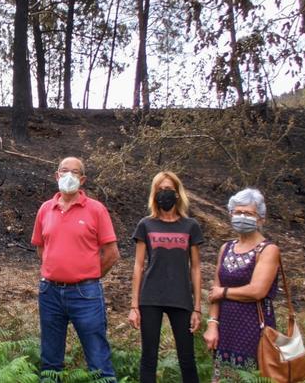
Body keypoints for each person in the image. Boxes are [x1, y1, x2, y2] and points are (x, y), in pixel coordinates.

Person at [31, 156, 119, 380]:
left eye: (75, 172)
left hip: (85, 294)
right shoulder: (44, 209)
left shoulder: (96, 210)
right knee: (50, 360)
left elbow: (111, 253)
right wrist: (56, 269)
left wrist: (88, 275)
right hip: (49, 292)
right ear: (56, 175)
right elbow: (41, 249)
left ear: (83, 179)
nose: (68, 175)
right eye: (64, 170)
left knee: (98, 358)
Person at [128, 171, 203, 383]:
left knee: (187, 359)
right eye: (160, 190)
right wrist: (134, 306)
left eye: (169, 190)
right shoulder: (146, 224)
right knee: (149, 358)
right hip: (151, 298)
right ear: (154, 194)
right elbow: (138, 265)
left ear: (177, 193)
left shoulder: (191, 226)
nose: (165, 194)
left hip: (181, 298)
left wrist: (197, 307)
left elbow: (196, 268)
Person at [205, 188, 280, 382]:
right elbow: (215, 291)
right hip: (226, 327)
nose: (242, 216)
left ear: (260, 218)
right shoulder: (226, 248)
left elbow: (257, 291)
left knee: (251, 376)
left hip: (254, 327)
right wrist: (212, 324)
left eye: (248, 213)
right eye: (237, 212)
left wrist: (224, 292)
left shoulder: (268, 250)